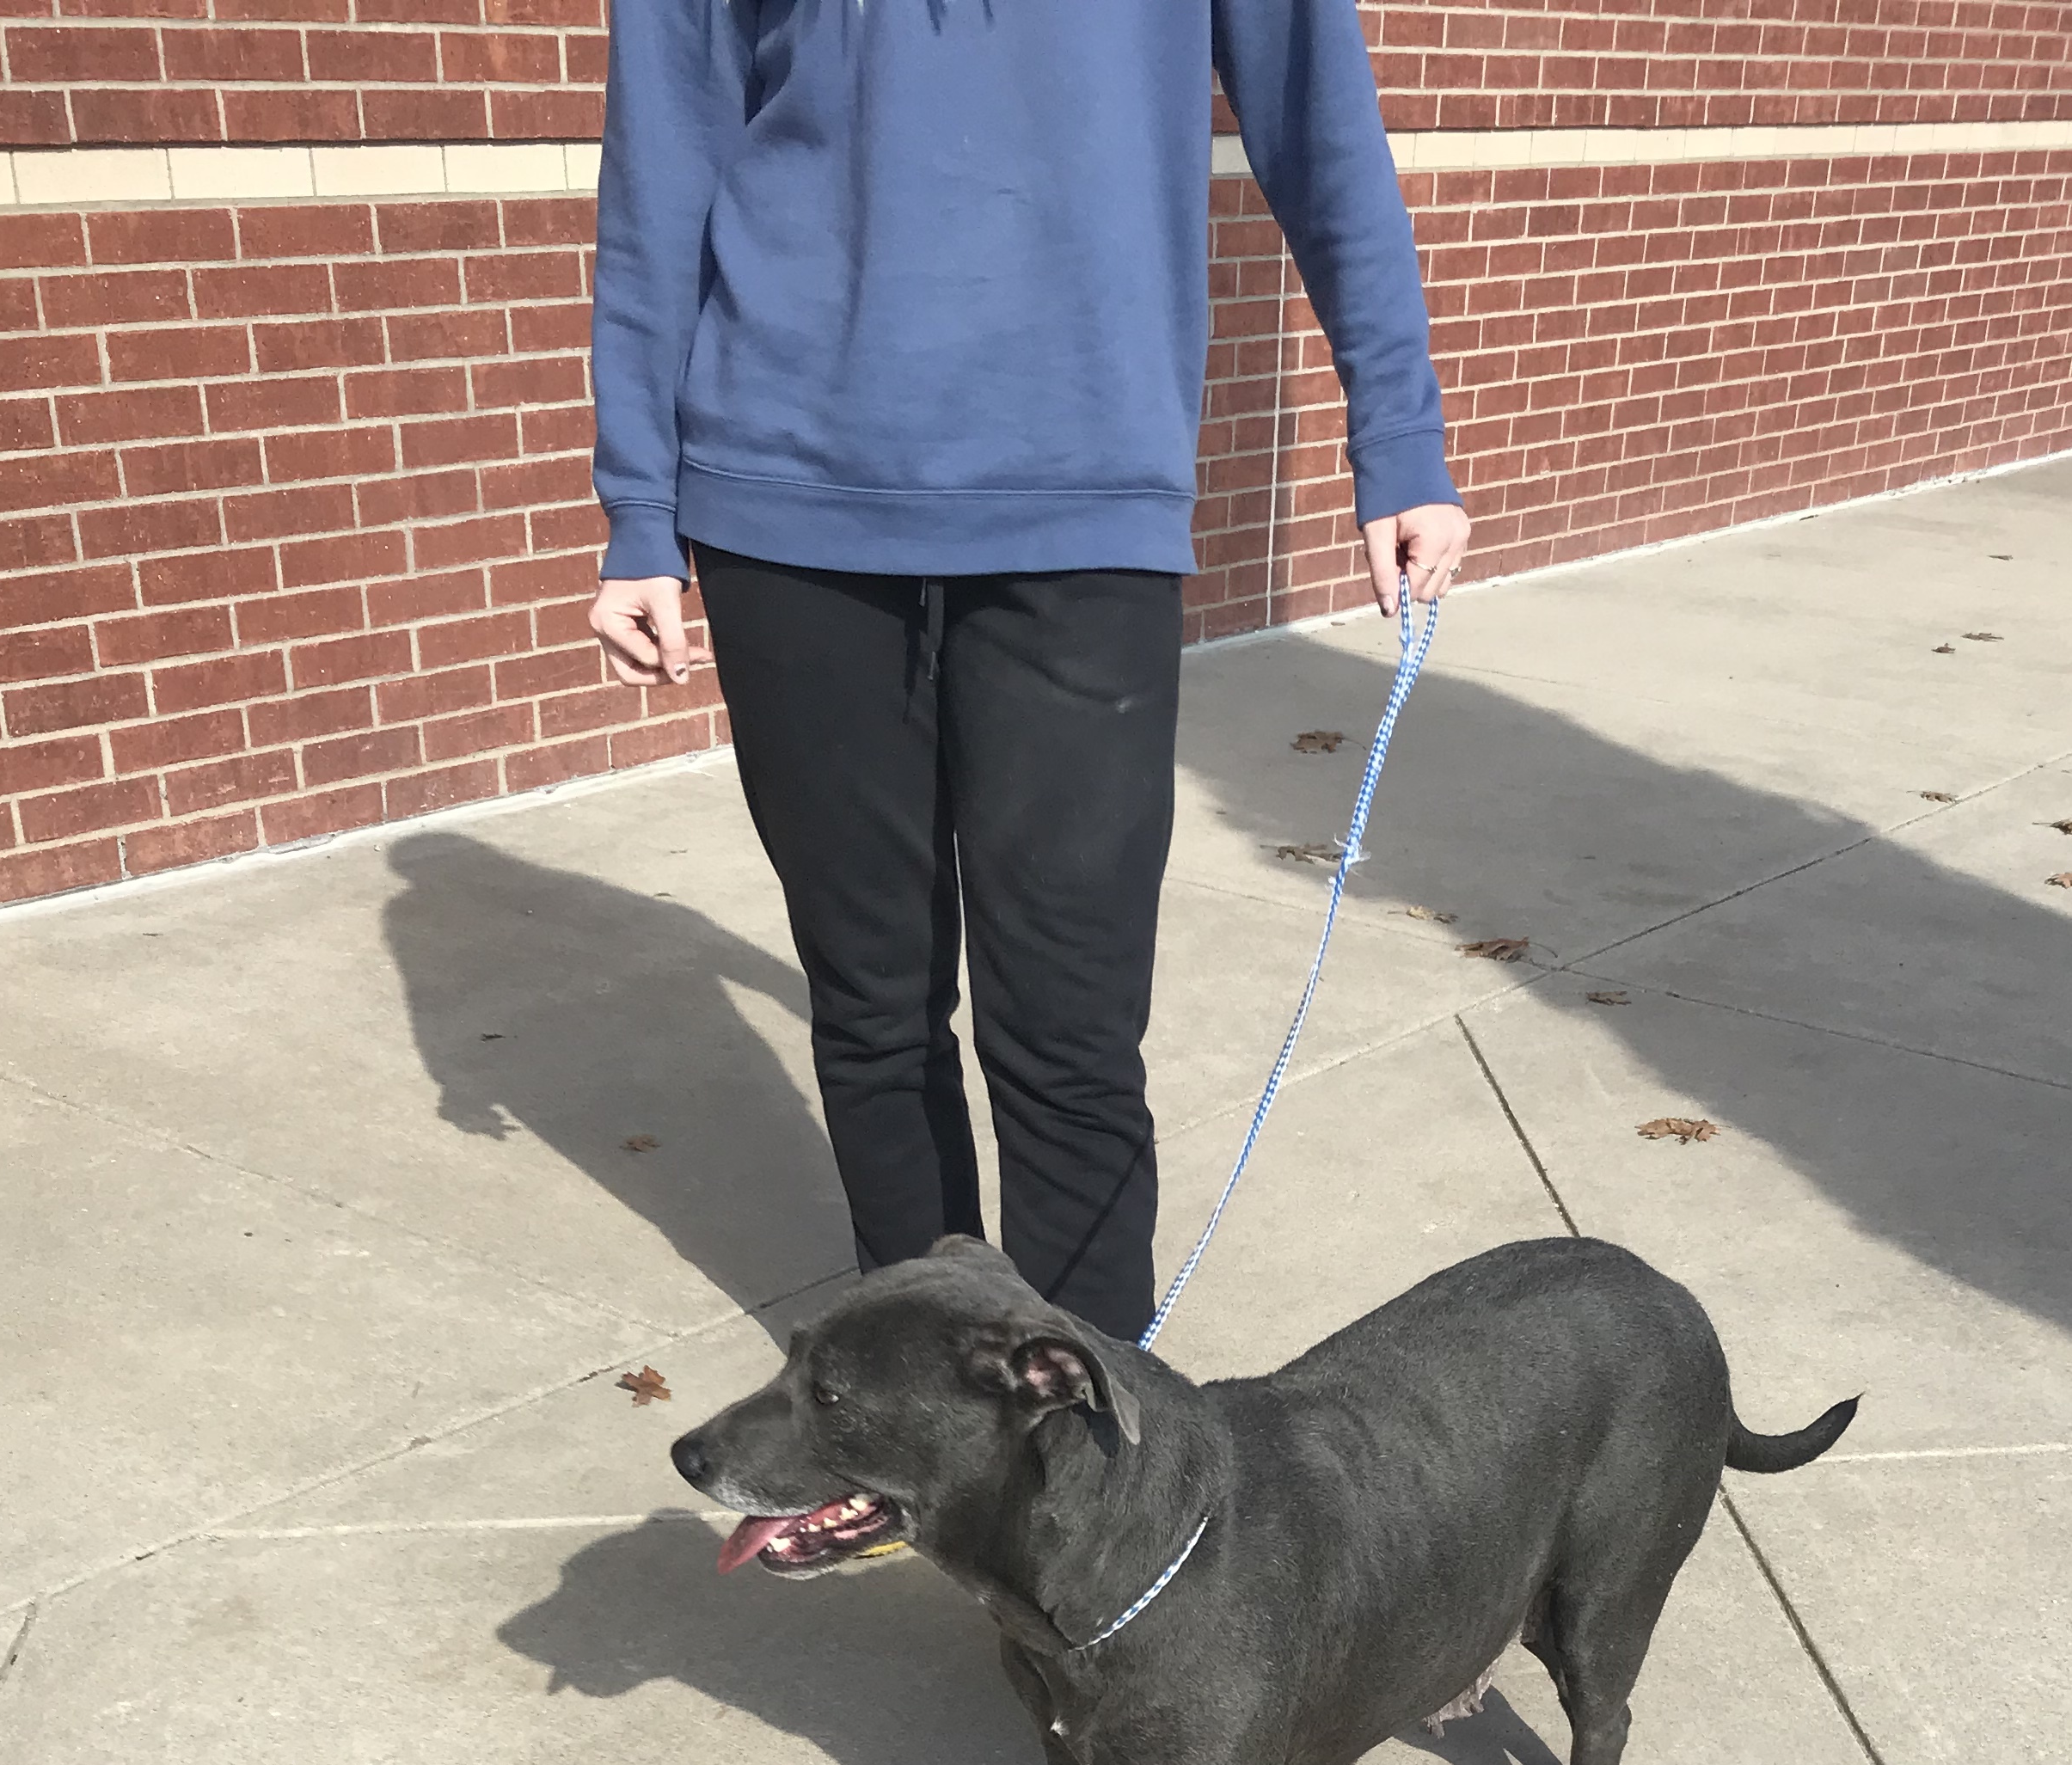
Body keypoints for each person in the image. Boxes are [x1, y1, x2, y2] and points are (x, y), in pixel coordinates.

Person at [586, 0, 1468, 1388]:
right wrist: (638, 504)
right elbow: (665, 152)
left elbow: (1320, 123)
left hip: (1081, 502)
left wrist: (1399, 429)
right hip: (788, 500)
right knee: (874, 1012)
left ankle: (1090, 1460)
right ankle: (923, 1416)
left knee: (1067, 1033)